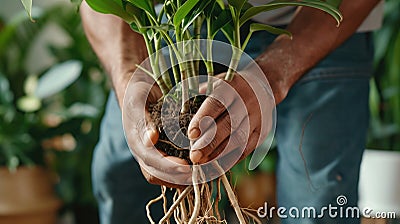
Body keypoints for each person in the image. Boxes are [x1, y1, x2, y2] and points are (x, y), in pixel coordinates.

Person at [80, 0, 383, 223]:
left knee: (319, 204)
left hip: (326, 18)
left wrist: (275, 74)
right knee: (120, 177)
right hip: (174, 29)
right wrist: (130, 75)